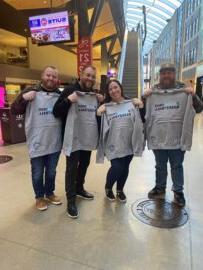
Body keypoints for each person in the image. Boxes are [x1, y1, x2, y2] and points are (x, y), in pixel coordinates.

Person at [143, 63, 203, 207]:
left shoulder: (184, 90)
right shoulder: (154, 91)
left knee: (177, 165)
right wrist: (143, 97)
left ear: (174, 74)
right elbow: (141, 110)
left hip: (177, 137)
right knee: (160, 165)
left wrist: (193, 95)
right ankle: (160, 187)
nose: (166, 75)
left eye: (169, 72)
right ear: (160, 75)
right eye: (164, 73)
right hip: (159, 136)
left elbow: (199, 108)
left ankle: (178, 191)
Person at [53, 65, 104, 218]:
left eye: (93, 76)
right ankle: (71, 200)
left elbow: (99, 114)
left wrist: (101, 102)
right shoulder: (69, 90)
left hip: (87, 137)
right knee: (71, 168)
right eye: (87, 75)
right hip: (73, 138)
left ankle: (79, 188)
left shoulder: (94, 94)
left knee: (84, 164)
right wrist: (68, 100)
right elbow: (56, 111)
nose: (90, 78)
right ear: (80, 75)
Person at [11, 66, 62, 211]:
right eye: (48, 75)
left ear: (57, 79)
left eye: (53, 76)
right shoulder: (30, 91)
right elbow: (14, 110)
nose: (51, 78)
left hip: (54, 141)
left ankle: (50, 193)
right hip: (37, 141)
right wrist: (22, 98)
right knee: (38, 172)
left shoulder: (59, 95)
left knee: (51, 171)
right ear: (42, 76)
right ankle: (39, 197)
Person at [96, 79, 144, 202]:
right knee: (117, 167)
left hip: (129, 143)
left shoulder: (131, 103)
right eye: (110, 89)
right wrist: (98, 113)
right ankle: (108, 187)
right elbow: (99, 127)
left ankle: (120, 190)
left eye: (115, 87)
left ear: (120, 88)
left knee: (125, 167)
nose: (113, 90)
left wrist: (141, 106)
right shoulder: (106, 107)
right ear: (108, 92)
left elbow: (142, 120)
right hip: (113, 144)